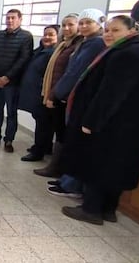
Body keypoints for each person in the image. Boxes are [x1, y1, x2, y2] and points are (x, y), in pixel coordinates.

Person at [60, 16, 139, 225]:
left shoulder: (128, 54)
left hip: (111, 124)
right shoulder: (132, 50)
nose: (109, 34)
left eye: (115, 30)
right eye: (107, 30)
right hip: (122, 124)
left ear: (131, 31)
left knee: (98, 165)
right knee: (114, 167)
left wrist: (91, 121)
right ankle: (107, 209)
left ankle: (92, 210)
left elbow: (110, 93)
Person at [42, 9, 107, 198]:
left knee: (75, 142)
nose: (84, 26)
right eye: (83, 22)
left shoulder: (95, 43)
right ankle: (66, 178)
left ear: (99, 24)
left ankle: (71, 184)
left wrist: (55, 94)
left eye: (89, 23)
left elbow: (74, 73)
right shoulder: (84, 42)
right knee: (69, 139)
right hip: (69, 97)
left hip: (75, 98)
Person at [32, 14, 83, 175]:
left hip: (63, 97)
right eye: (64, 25)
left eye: (71, 25)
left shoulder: (79, 46)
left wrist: (53, 95)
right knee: (54, 129)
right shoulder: (64, 45)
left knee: (62, 134)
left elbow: (70, 74)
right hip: (54, 94)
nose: (66, 28)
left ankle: (57, 169)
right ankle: (54, 164)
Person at [0, 9, 34, 152]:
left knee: (11, 112)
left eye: (13, 18)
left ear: (20, 19)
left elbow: (23, 59)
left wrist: (7, 77)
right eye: (8, 18)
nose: (10, 20)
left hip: (13, 83)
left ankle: (9, 140)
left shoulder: (26, 37)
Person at [18, 25, 59, 161]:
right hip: (35, 93)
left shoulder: (54, 53)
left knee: (43, 123)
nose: (46, 37)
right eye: (45, 34)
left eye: (51, 35)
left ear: (58, 37)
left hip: (44, 94)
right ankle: (45, 146)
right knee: (41, 121)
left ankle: (38, 151)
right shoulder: (41, 51)